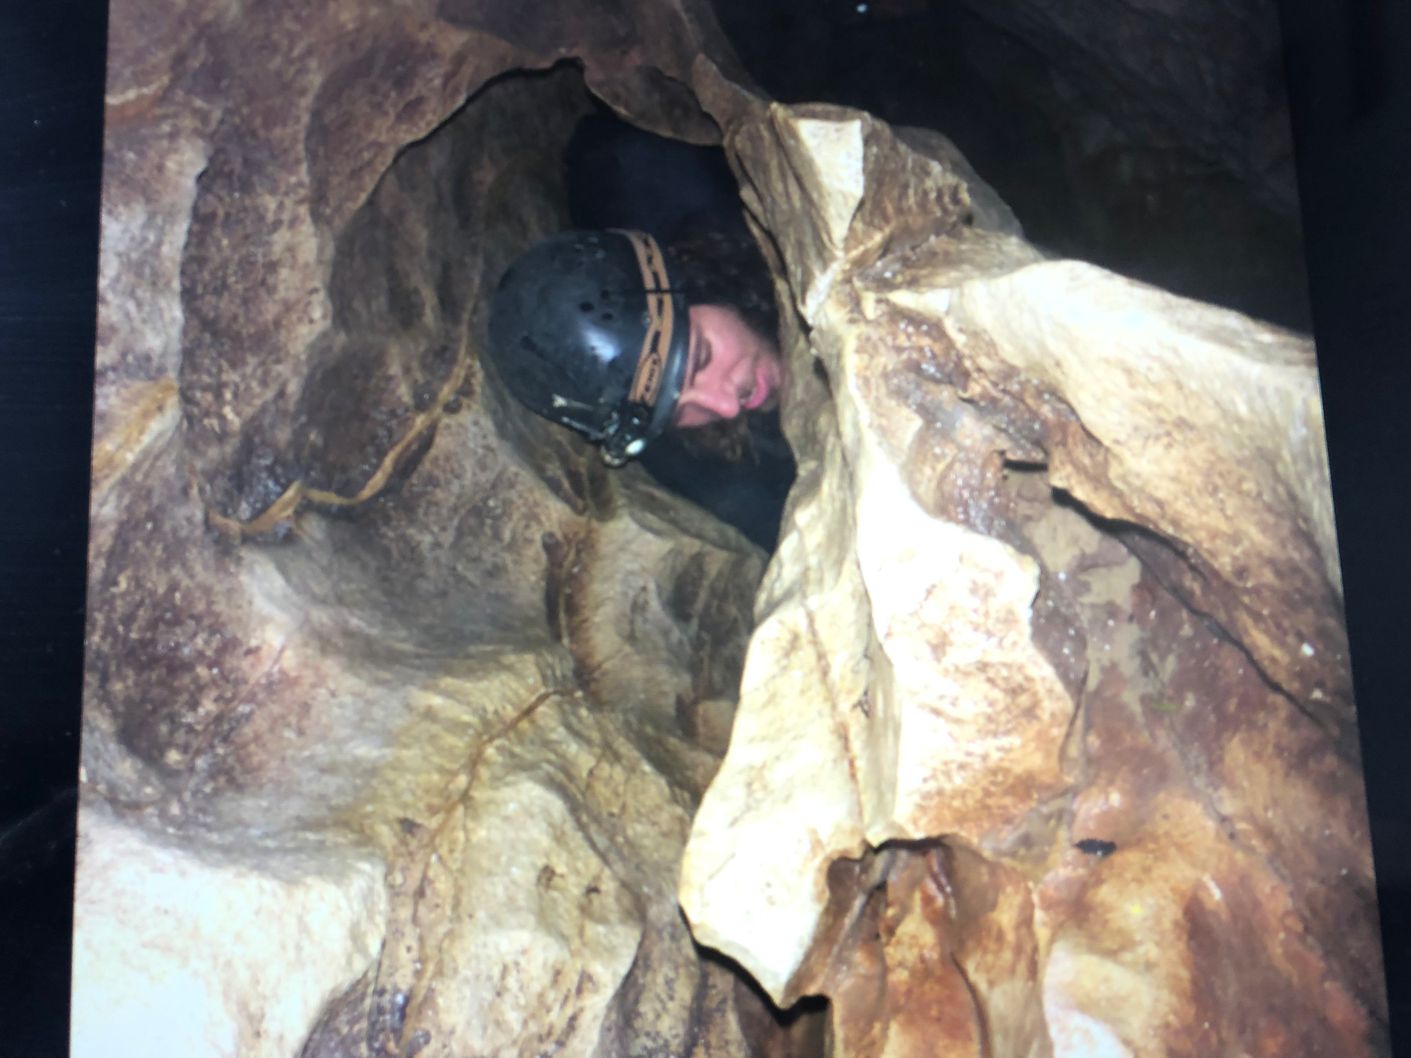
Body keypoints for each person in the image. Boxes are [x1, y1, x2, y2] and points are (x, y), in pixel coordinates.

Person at [487, 227, 787, 466]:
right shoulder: (735, 470)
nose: (727, 407)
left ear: (703, 285)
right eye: (675, 414)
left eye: (701, 357)